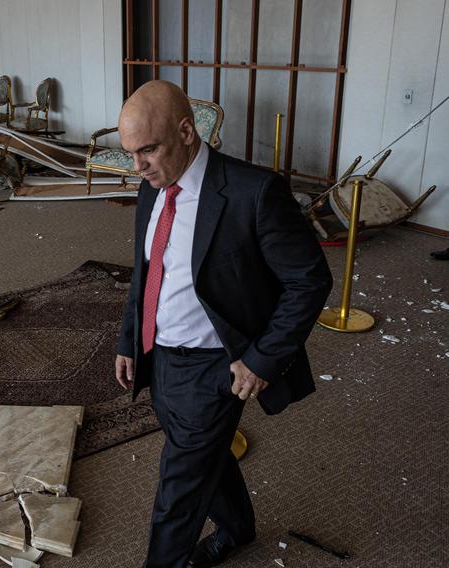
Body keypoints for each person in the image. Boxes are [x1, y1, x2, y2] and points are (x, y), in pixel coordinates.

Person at [114, 81, 332, 568]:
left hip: (217, 366)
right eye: (130, 153)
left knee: (179, 490)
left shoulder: (254, 192)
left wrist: (261, 360)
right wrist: (130, 339)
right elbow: (147, 271)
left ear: (187, 131)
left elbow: (310, 280)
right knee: (200, 454)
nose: (138, 166)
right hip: (160, 355)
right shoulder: (153, 188)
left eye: (147, 150)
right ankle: (238, 528)